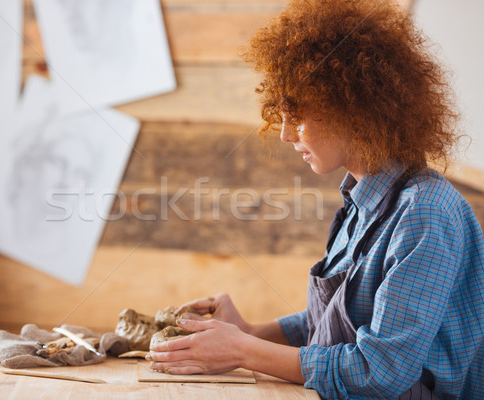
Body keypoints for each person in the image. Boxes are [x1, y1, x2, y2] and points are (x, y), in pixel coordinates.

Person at [148, 0, 484, 398]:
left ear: (353, 109)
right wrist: (252, 332)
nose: (287, 134)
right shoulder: (362, 204)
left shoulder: (426, 213)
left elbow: (379, 371)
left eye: (299, 114)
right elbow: (348, 318)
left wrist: (244, 351)